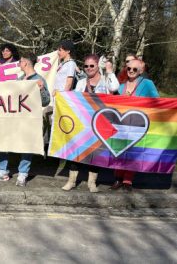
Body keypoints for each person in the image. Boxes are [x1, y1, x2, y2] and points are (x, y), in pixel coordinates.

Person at [0, 53, 50, 186]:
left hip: (29, 121)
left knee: (27, 146)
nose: (19, 64)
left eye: (21, 61)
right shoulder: (20, 79)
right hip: (15, 119)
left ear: (26, 63)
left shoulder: (39, 79)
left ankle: (23, 174)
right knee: (4, 140)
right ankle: (2, 171)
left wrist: (42, 89)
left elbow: (46, 101)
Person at [61, 54, 120, 193]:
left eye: (92, 65)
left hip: (101, 124)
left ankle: (91, 183)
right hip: (83, 123)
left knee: (96, 154)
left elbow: (115, 87)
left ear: (97, 66)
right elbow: (74, 100)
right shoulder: (81, 83)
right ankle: (71, 181)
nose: (88, 68)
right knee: (76, 152)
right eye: (86, 66)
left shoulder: (106, 81)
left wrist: (110, 71)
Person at [110, 59, 159, 192]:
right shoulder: (121, 85)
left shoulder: (147, 84)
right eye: (129, 68)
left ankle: (127, 180)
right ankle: (118, 178)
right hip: (122, 124)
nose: (131, 71)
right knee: (120, 150)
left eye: (134, 69)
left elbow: (157, 101)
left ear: (141, 71)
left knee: (133, 152)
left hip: (138, 124)